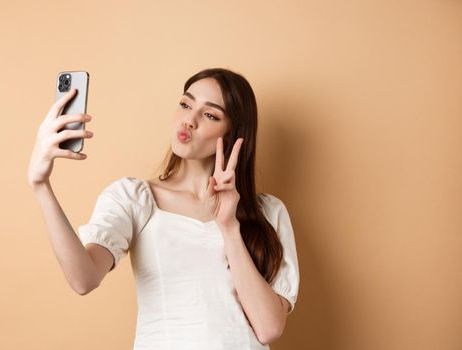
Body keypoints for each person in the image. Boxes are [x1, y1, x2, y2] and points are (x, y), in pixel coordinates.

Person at [28, 67, 299, 349]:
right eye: (185, 104)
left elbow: (268, 328)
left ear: (232, 134)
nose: (189, 120)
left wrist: (229, 227)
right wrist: (41, 185)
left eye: (210, 115)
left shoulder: (268, 211)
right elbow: (83, 279)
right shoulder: (135, 197)